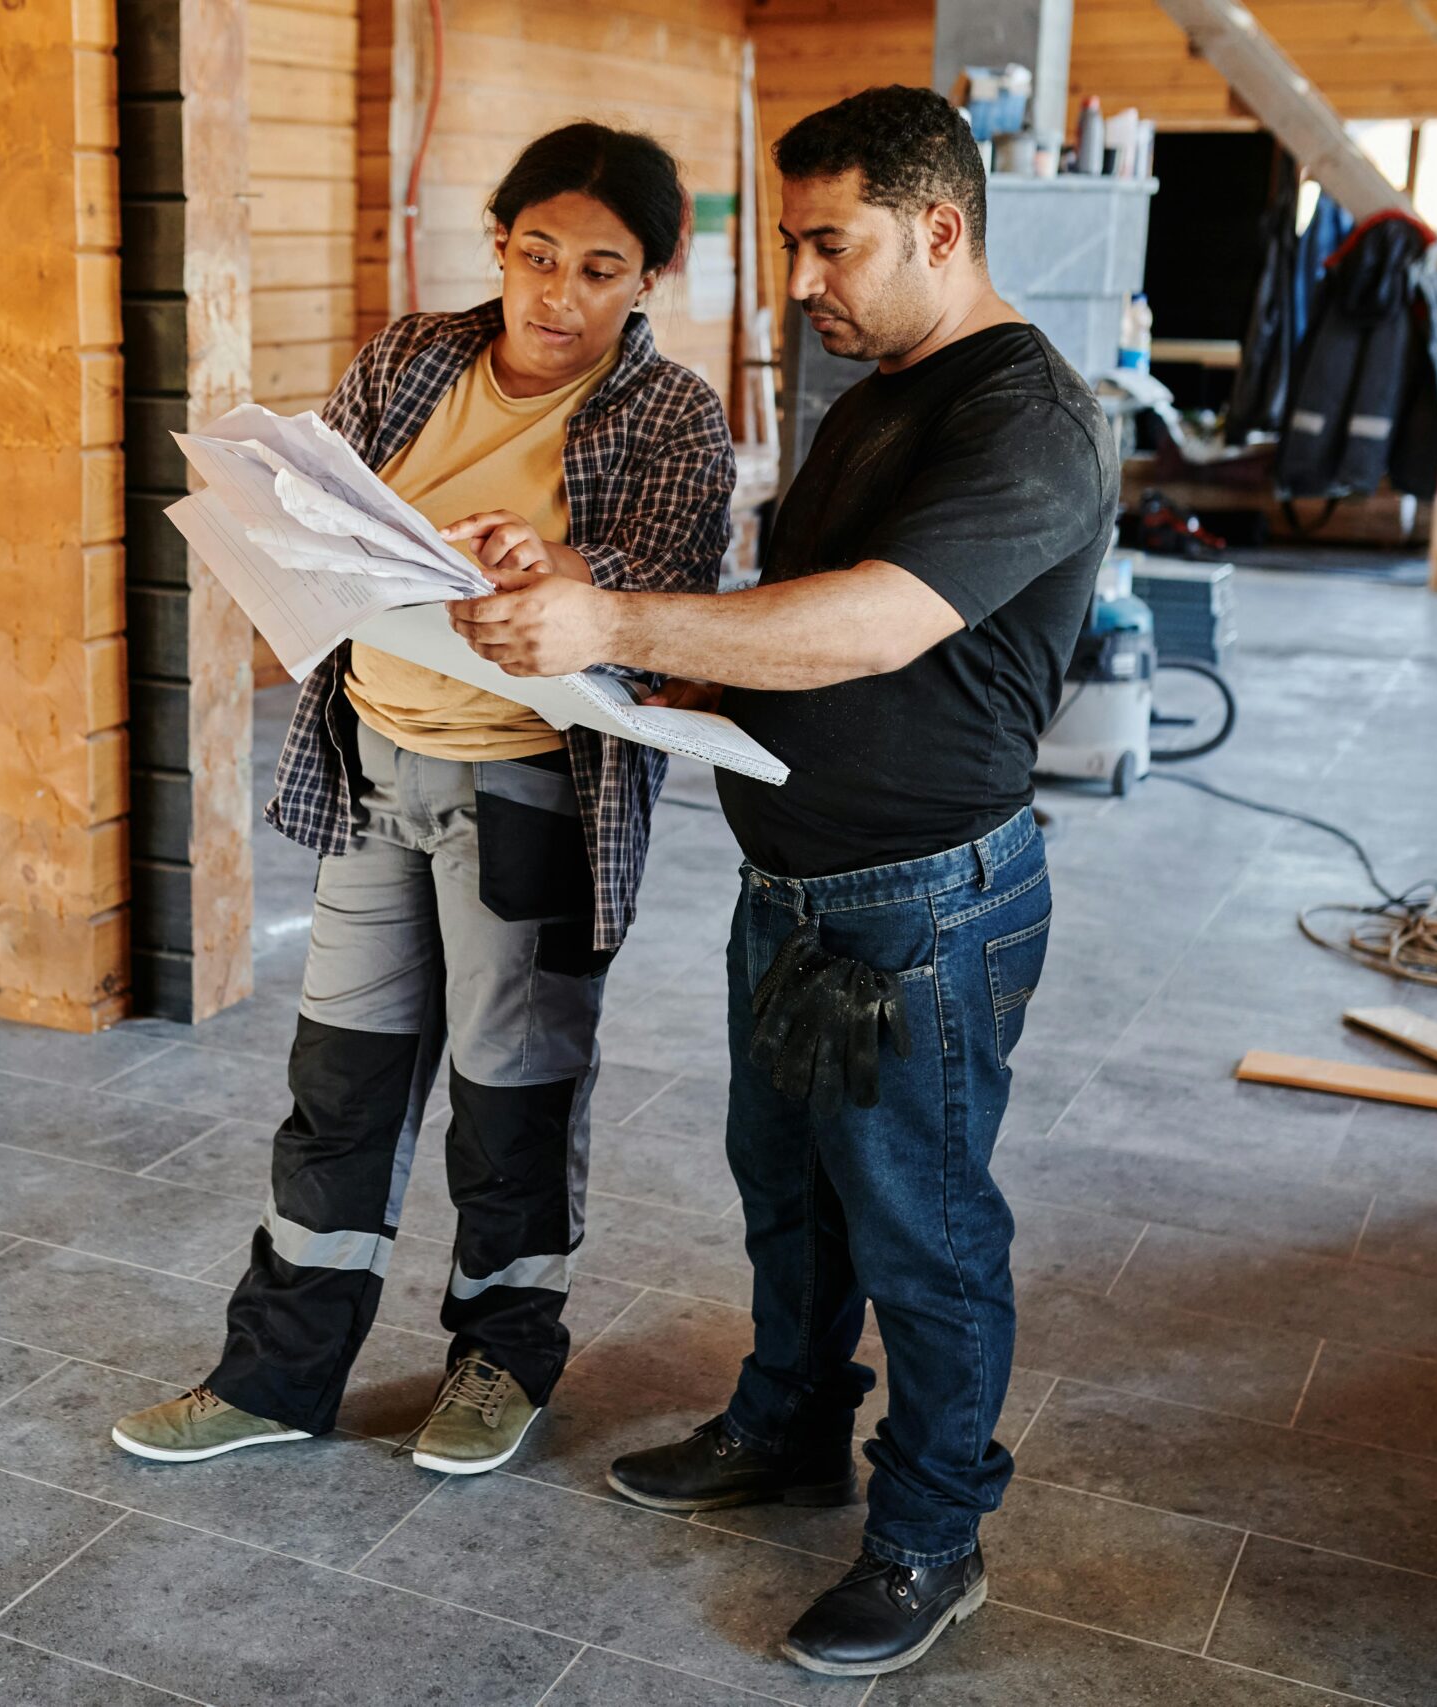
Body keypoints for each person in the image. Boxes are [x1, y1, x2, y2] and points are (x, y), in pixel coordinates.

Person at [445, 86, 1114, 1677]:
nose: (802, 277)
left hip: (928, 905)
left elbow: (879, 623)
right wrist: (650, 651)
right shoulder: (881, 383)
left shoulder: (1027, 416)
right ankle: (789, 1429)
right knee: (791, 1199)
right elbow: (791, 613)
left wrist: (612, 628)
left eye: (832, 242)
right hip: (801, 887)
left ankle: (932, 1533)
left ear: (939, 228)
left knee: (925, 1234)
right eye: (798, 239)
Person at [110, 123, 735, 1477]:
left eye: (600, 269)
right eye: (535, 255)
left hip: (531, 795)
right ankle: (275, 1378)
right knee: (338, 1085)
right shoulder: (409, 359)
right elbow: (316, 511)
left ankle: (501, 1361)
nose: (557, 295)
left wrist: (559, 559)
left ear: (646, 282)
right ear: (501, 246)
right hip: (372, 768)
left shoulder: (670, 409)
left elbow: (673, 589)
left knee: (512, 1091)